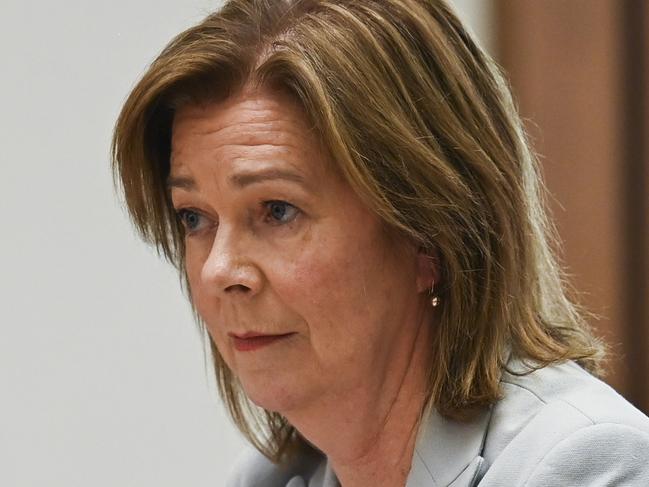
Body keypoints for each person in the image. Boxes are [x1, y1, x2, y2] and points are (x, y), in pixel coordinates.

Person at [111, 0, 649, 485]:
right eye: (194, 218)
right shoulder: (267, 479)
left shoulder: (583, 460)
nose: (218, 271)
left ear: (430, 233)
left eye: (277, 211)